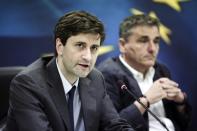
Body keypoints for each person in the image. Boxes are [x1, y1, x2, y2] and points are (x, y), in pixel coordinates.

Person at [4, 11, 135, 131]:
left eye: (94, 48)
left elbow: (114, 125)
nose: (88, 57)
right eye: (80, 45)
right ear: (60, 47)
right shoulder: (28, 84)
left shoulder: (95, 78)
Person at [98, 14, 191, 131]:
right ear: (122, 45)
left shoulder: (161, 70)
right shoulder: (105, 75)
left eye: (156, 41)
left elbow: (184, 124)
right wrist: (145, 101)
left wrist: (180, 102)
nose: (152, 48)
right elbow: (109, 128)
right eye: (143, 41)